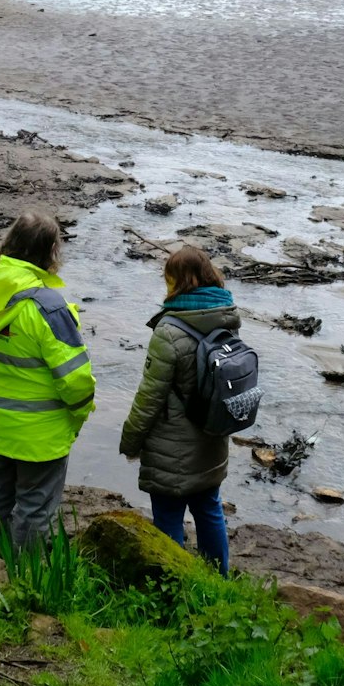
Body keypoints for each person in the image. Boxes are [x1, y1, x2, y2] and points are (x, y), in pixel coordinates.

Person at [0, 211, 96, 548]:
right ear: (51, 253)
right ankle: (24, 582)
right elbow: (77, 380)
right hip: (41, 434)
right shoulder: (48, 306)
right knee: (35, 510)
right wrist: (77, 418)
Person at [119, 244, 236, 574]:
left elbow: (149, 397)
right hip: (213, 435)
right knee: (209, 508)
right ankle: (218, 580)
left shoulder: (168, 331)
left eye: (168, 279)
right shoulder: (227, 317)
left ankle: (174, 581)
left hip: (171, 445)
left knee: (169, 513)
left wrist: (130, 442)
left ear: (180, 282)